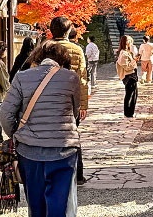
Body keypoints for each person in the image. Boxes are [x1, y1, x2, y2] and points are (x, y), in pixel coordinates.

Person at [0, 41, 81, 217]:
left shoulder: (22, 77)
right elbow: (75, 112)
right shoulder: (71, 78)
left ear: (38, 58)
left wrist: (17, 135)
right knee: (59, 205)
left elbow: (5, 114)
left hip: (29, 151)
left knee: (36, 205)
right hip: (63, 149)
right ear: (62, 60)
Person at [49, 16, 88, 185]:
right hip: (70, 100)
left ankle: (52, 172)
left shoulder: (44, 48)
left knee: (48, 136)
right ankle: (77, 174)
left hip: (47, 98)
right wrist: (83, 104)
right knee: (72, 136)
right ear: (68, 31)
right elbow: (83, 79)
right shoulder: (77, 50)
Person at [116, 35, 138, 118]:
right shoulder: (123, 53)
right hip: (129, 76)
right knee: (130, 94)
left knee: (134, 94)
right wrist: (134, 62)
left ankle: (130, 112)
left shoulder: (127, 52)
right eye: (128, 41)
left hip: (132, 75)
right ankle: (128, 113)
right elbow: (126, 66)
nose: (130, 43)